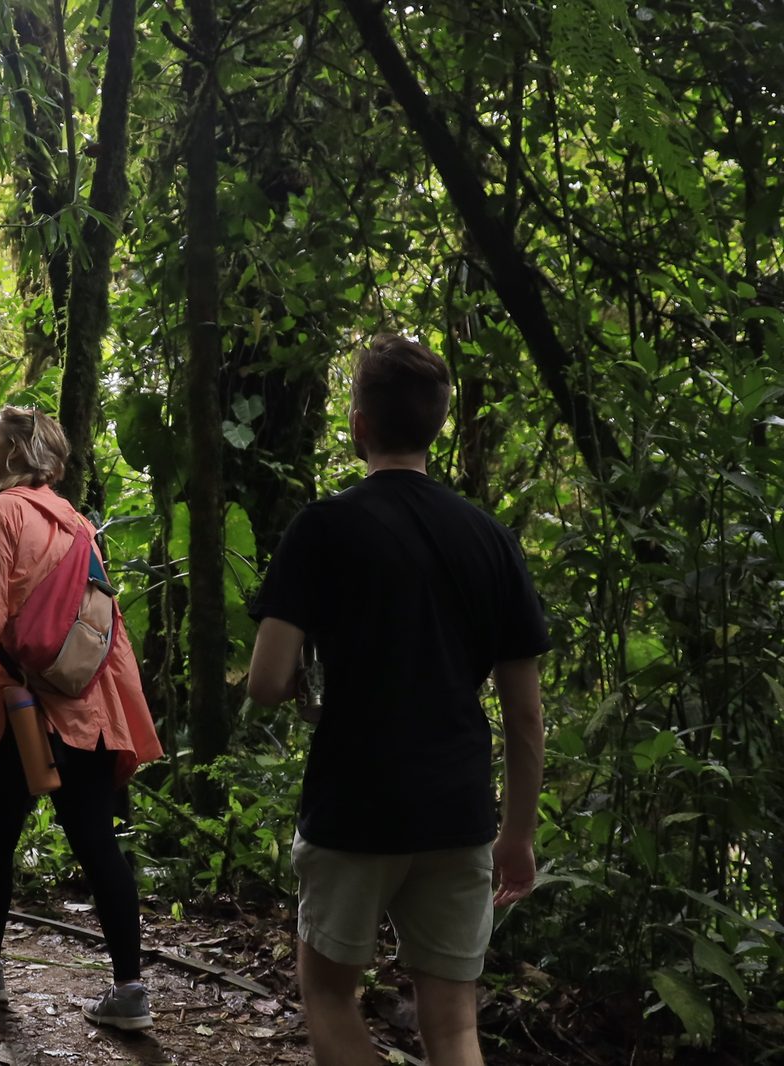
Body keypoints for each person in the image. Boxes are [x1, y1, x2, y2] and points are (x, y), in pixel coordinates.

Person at [246, 334, 549, 1066]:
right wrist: (518, 832)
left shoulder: (322, 527)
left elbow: (263, 680)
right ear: (438, 424)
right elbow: (526, 713)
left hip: (354, 803)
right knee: (453, 1027)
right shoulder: (490, 538)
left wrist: (305, 681)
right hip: (457, 806)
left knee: (327, 996)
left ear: (358, 425)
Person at [0, 405, 163, 1031]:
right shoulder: (78, 524)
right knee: (97, 842)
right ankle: (129, 991)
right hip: (83, 705)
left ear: (17, 452)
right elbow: (101, 630)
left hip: (16, 705)